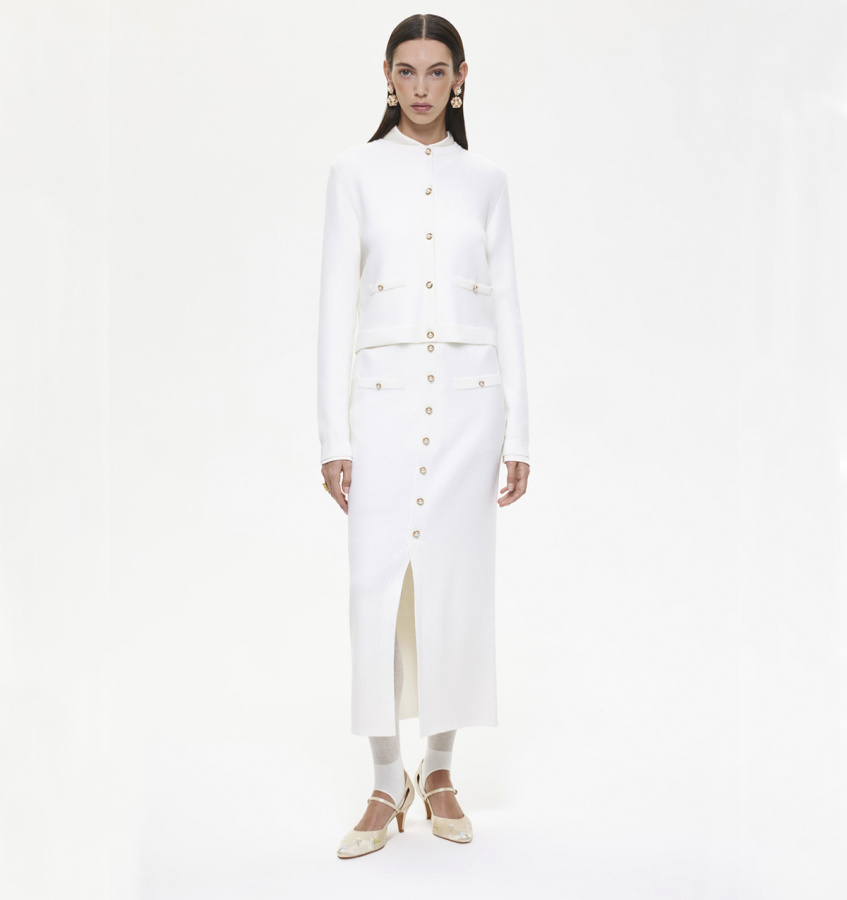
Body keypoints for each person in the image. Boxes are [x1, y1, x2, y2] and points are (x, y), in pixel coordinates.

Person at [317, 14, 531, 859]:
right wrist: (331, 436)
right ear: (386, 75)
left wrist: (520, 432)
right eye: (405, 71)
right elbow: (334, 305)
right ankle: (384, 779)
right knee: (375, 590)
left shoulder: (487, 181)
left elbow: (507, 303)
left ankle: (438, 771)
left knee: (453, 587)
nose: (419, 87)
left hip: (472, 411)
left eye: (435, 71)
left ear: (460, 77)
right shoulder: (353, 172)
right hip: (383, 406)